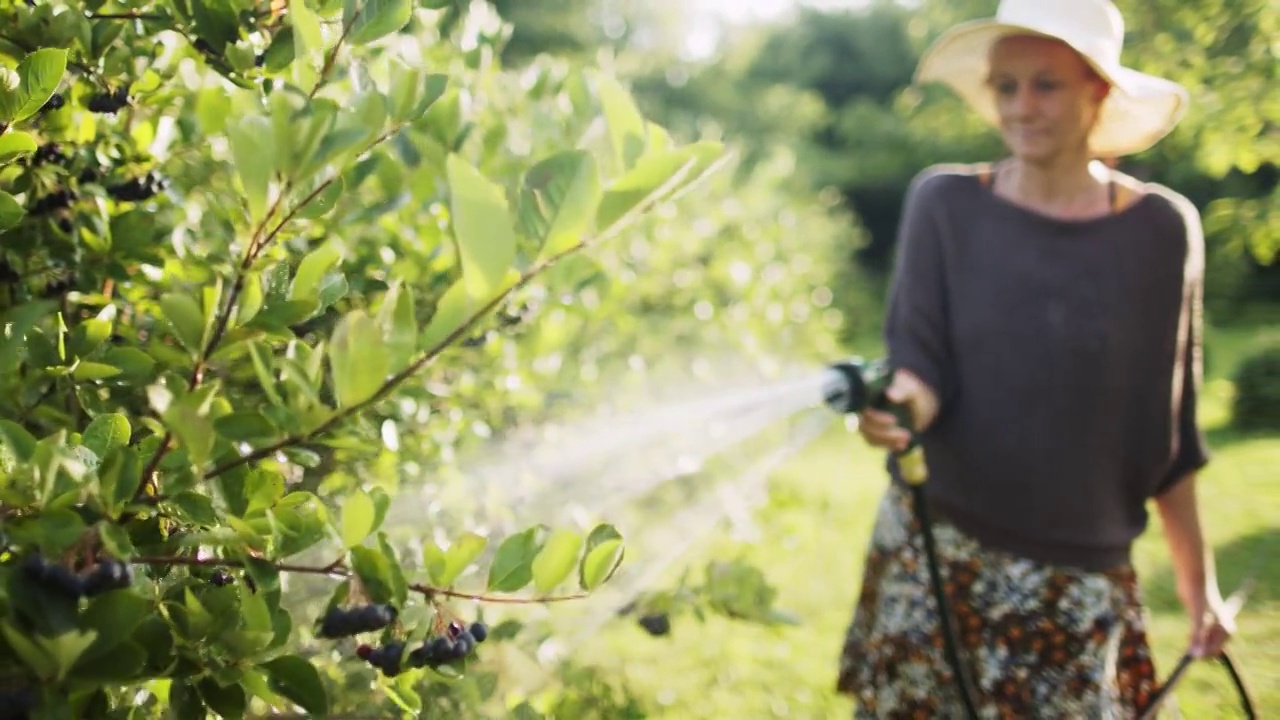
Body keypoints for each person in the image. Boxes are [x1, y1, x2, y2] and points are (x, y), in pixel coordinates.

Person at [833, 0, 1235, 717]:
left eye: (1045, 83)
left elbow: (1166, 424)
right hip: (940, 551)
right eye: (1006, 85)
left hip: (1077, 569)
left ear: (1098, 92)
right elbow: (918, 368)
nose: (1021, 106)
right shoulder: (944, 204)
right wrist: (896, 410)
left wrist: (1197, 584)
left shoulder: (1159, 231)